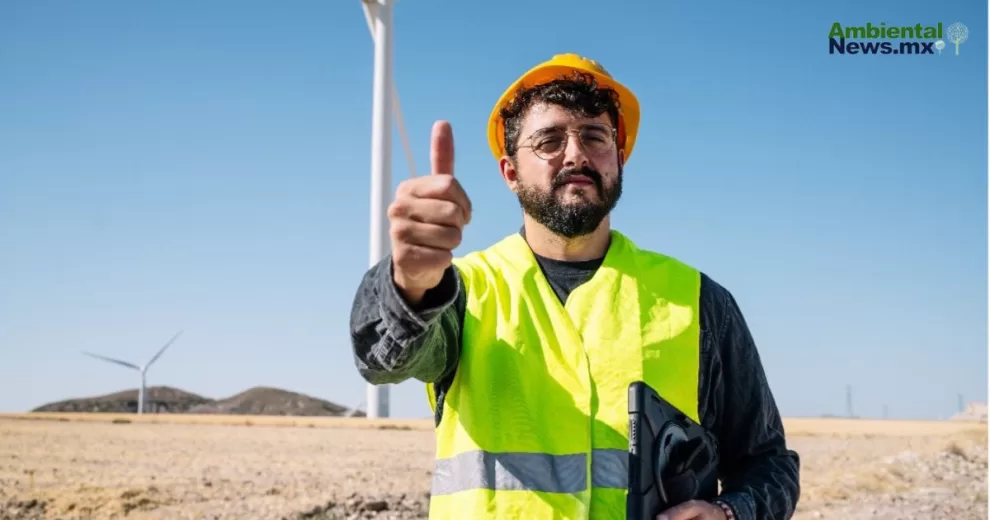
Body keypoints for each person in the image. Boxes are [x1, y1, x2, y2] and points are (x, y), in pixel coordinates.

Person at [350, 53, 801, 520]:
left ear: (619, 159)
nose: (576, 153)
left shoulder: (700, 301)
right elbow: (383, 359)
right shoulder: (462, 292)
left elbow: (768, 463)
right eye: (548, 140)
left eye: (594, 136)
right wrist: (409, 283)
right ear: (509, 173)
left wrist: (731, 512)